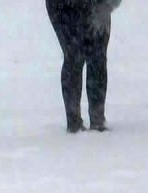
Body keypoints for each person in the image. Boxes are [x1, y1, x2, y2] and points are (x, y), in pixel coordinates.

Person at [46, 0, 122, 133]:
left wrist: (107, 6)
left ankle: (97, 119)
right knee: (74, 55)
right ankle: (74, 120)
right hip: (62, 6)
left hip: (97, 4)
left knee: (97, 56)